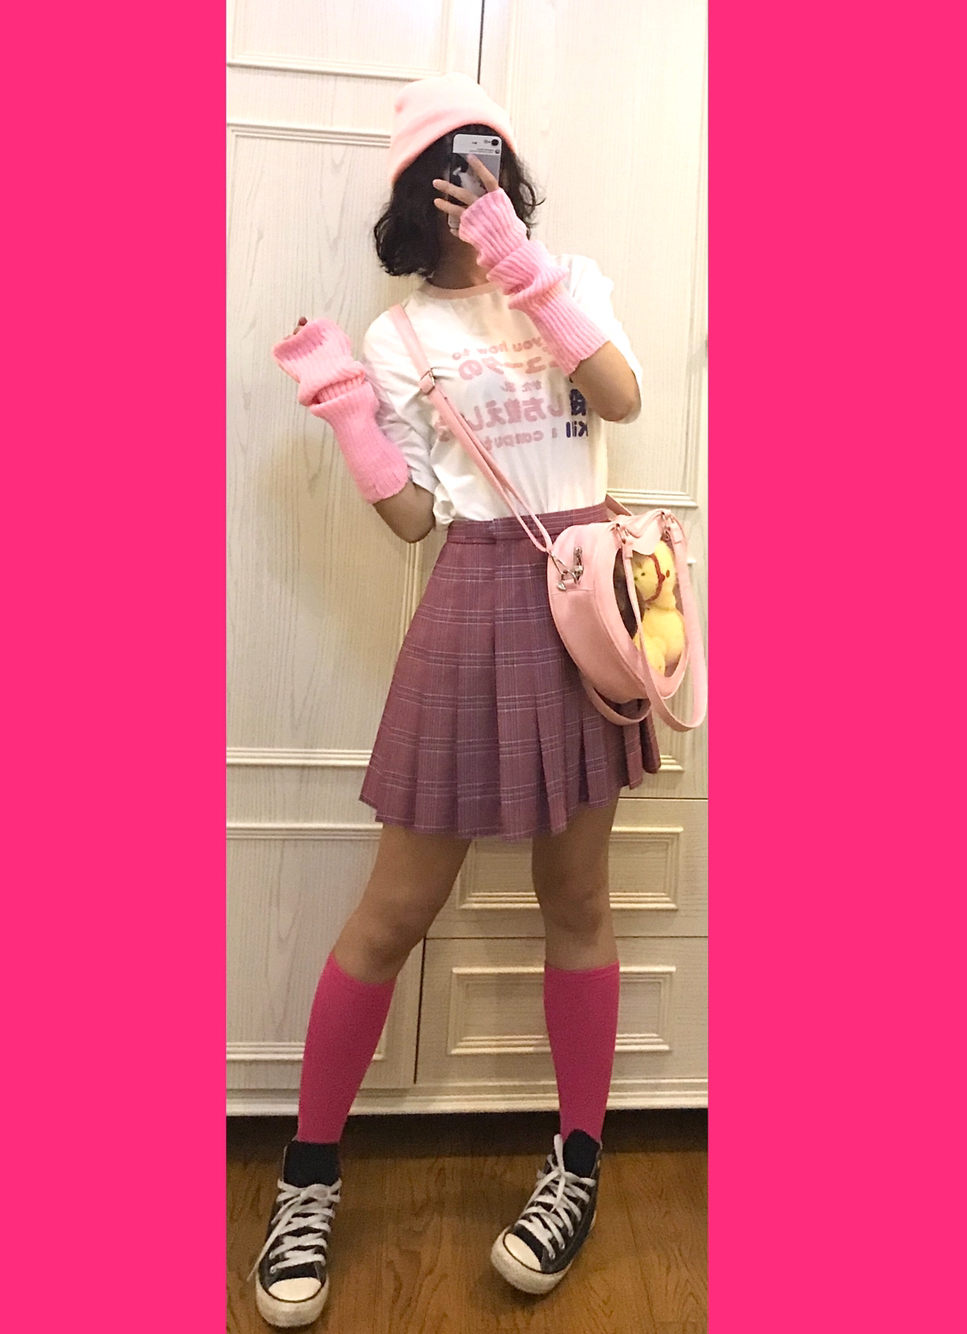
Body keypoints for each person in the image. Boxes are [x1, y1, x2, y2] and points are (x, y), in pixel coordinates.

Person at [251, 71, 661, 1328]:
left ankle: (576, 1158)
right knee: (393, 909)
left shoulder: (567, 277)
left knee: (575, 896)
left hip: (588, 594)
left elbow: (623, 397)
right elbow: (414, 520)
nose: (468, 179)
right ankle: (307, 1172)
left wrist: (520, 264)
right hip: (472, 593)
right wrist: (345, 411)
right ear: (409, 197)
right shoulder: (401, 334)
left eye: (485, 158)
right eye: (445, 165)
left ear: (509, 173)